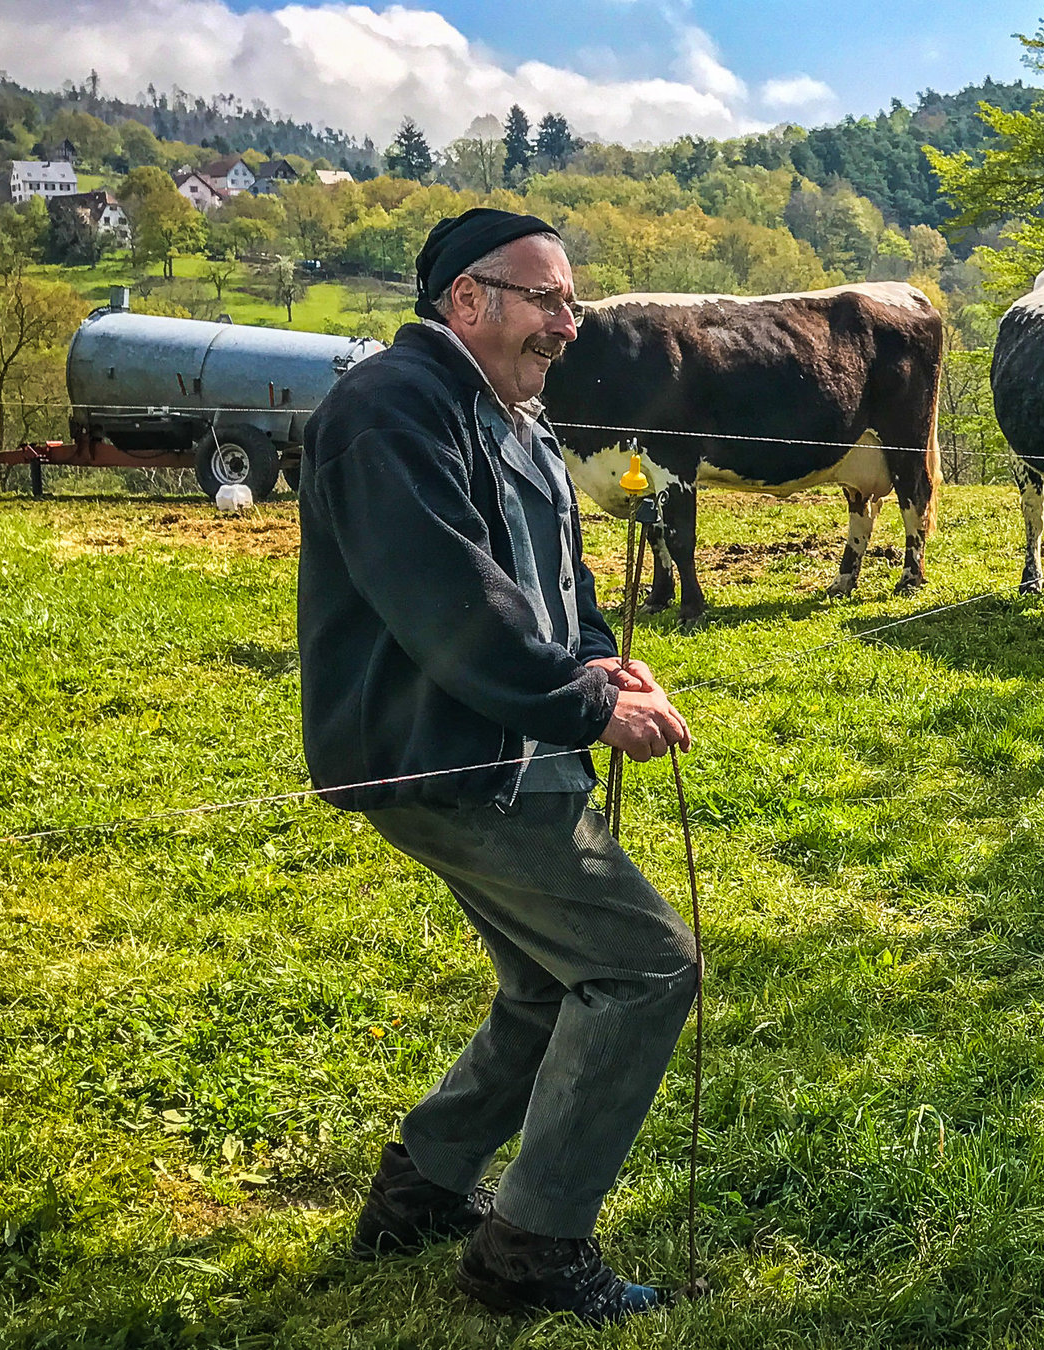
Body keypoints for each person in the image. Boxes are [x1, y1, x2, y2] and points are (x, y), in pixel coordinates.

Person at [295, 207, 697, 1324]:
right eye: (548, 300)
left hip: (509, 744)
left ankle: (420, 1190)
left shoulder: (510, 413)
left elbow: (556, 582)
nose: (569, 325)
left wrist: (603, 660)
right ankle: (531, 1253)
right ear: (467, 299)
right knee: (642, 969)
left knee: (545, 981)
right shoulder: (391, 411)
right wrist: (588, 706)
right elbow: (451, 604)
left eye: (573, 302)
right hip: (453, 756)